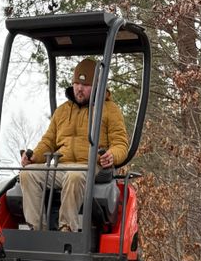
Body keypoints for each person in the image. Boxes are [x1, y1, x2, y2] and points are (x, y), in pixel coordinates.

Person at [19, 58, 129, 233]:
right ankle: (37, 230)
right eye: (77, 83)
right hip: (61, 166)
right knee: (27, 174)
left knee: (75, 176)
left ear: (97, 86)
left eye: (85, 84)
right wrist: (33, 157)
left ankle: (66, 228)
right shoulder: (62, 111)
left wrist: (112, 155)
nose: (79, 88)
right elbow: (48, 141)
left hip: (91, 166)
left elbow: (121, 143)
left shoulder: (110, 110)